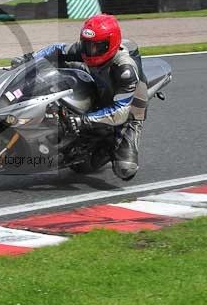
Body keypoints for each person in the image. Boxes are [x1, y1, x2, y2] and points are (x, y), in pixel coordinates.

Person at [10, 14, 147, 180]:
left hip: (127, 104)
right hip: (97, 78)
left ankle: (110, 143)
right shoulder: (85, 49)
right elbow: (57, 50)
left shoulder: (124, 70)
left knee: (125, 169)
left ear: (110, 45)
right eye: (87, 44)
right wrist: (28, 60)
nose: (90, 50)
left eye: (97, 46)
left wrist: (84, 121)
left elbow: (120, 111)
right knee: (58, 65)